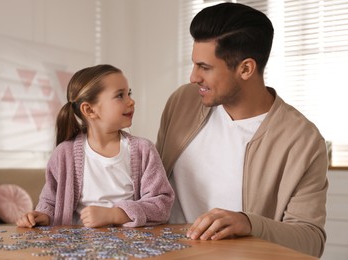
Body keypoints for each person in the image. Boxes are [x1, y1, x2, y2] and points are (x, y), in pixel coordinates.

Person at [156, 3, 328, 257]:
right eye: (194, 65)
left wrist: (248, 223)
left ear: (246, 68)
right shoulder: (183, 102)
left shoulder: (302, 140)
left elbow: (311, 240)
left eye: (205, 67)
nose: (193, 77)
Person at [17, 64, 174, 228]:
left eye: (129, 93)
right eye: (120, 95)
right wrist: (41, 216)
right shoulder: (64, 154)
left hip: (131, 248)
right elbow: (50, 201)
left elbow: (161, 204)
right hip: (77, 249)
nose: (131, 101)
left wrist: (115, 214)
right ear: (89, 110)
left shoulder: (143, 150)